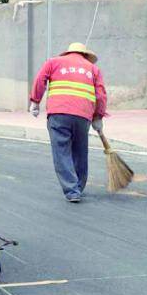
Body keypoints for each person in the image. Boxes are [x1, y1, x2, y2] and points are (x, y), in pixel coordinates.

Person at [29, 42, 108, 203]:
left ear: (67, 53)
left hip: (58, 114)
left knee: (61, 151)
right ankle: (79, 185)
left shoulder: (53, 62)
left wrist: (35, 101)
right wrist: (98, 116)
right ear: (85, 55)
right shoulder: (93, 69)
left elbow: (40, 80)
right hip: (82, 116)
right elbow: (100, 95)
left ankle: (72, 191)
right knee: (80, 151)